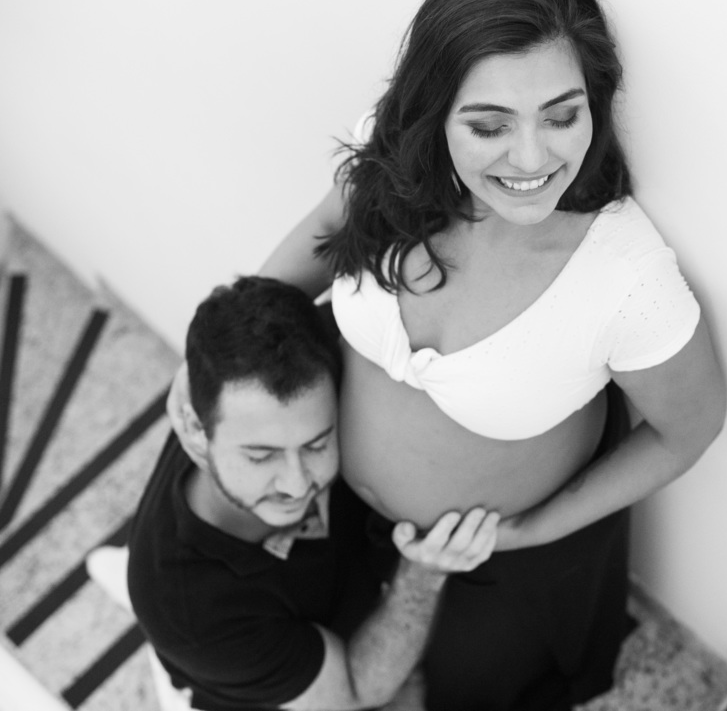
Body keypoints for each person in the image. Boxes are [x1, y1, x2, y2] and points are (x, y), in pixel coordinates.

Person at [170, 0, 727, 711]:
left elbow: (689, 429)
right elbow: (326, 233)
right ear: (435, 113)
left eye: (562, 115)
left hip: (493, 569)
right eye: (489, 125)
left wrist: (533, 530)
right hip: (338, 508)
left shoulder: (625, 275)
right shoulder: (395, 161)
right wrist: (211, 360)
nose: (531, 157)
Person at [132, 276, 499, 711]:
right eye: (261, 456)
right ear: (195, 429)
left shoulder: (308, 353)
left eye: (317, 444)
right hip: (271, 679)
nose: (297, 484)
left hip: (344, 582)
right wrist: (421, 577)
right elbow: (353, 691)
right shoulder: (191, 612)